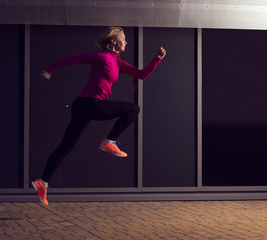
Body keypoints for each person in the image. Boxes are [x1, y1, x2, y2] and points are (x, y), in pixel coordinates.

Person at [31, 26, 166, 206]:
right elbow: (75, 58)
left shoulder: (119, 63)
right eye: (123, 38)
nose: (126, 42)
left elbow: (141, 75)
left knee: (66, 146)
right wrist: (49, 69)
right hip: (90, 104)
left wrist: (157, 58)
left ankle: (43, 182)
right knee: (133, 108)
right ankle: (109, 142)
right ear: (113, 42)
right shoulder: (101, 57)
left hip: (84, 107)